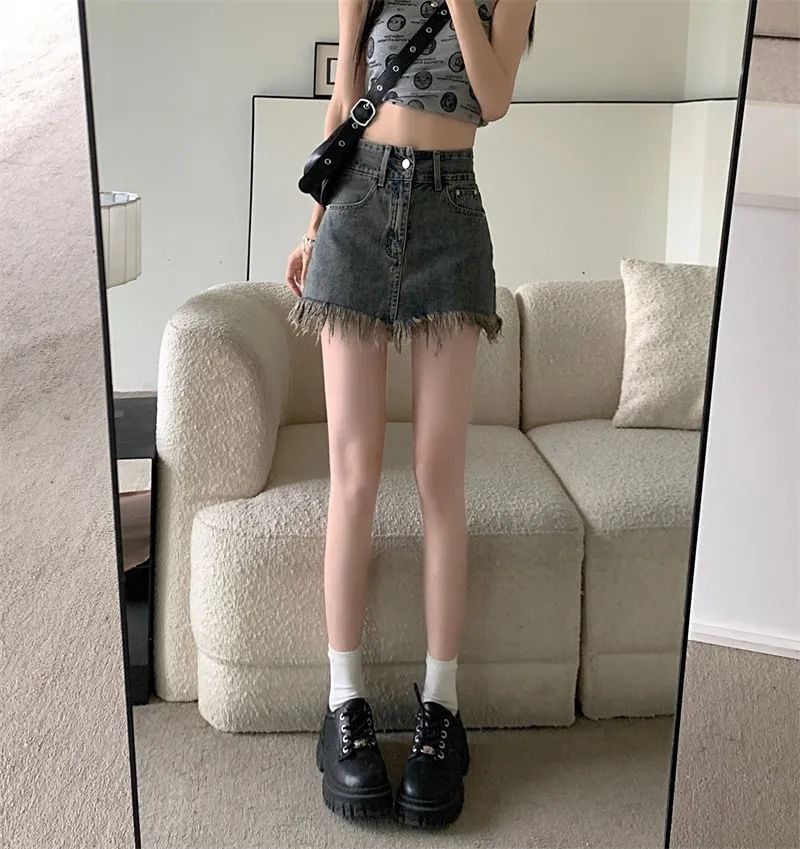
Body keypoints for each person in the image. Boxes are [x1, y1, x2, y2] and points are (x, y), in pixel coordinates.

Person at [284, 0, 537, 829]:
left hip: (450, 217)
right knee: (354, 474)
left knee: (437, 474)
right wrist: (314, 226)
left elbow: (493, 99)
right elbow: (346, 95)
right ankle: (344, 703)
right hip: (355, 209)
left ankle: (441, 709)